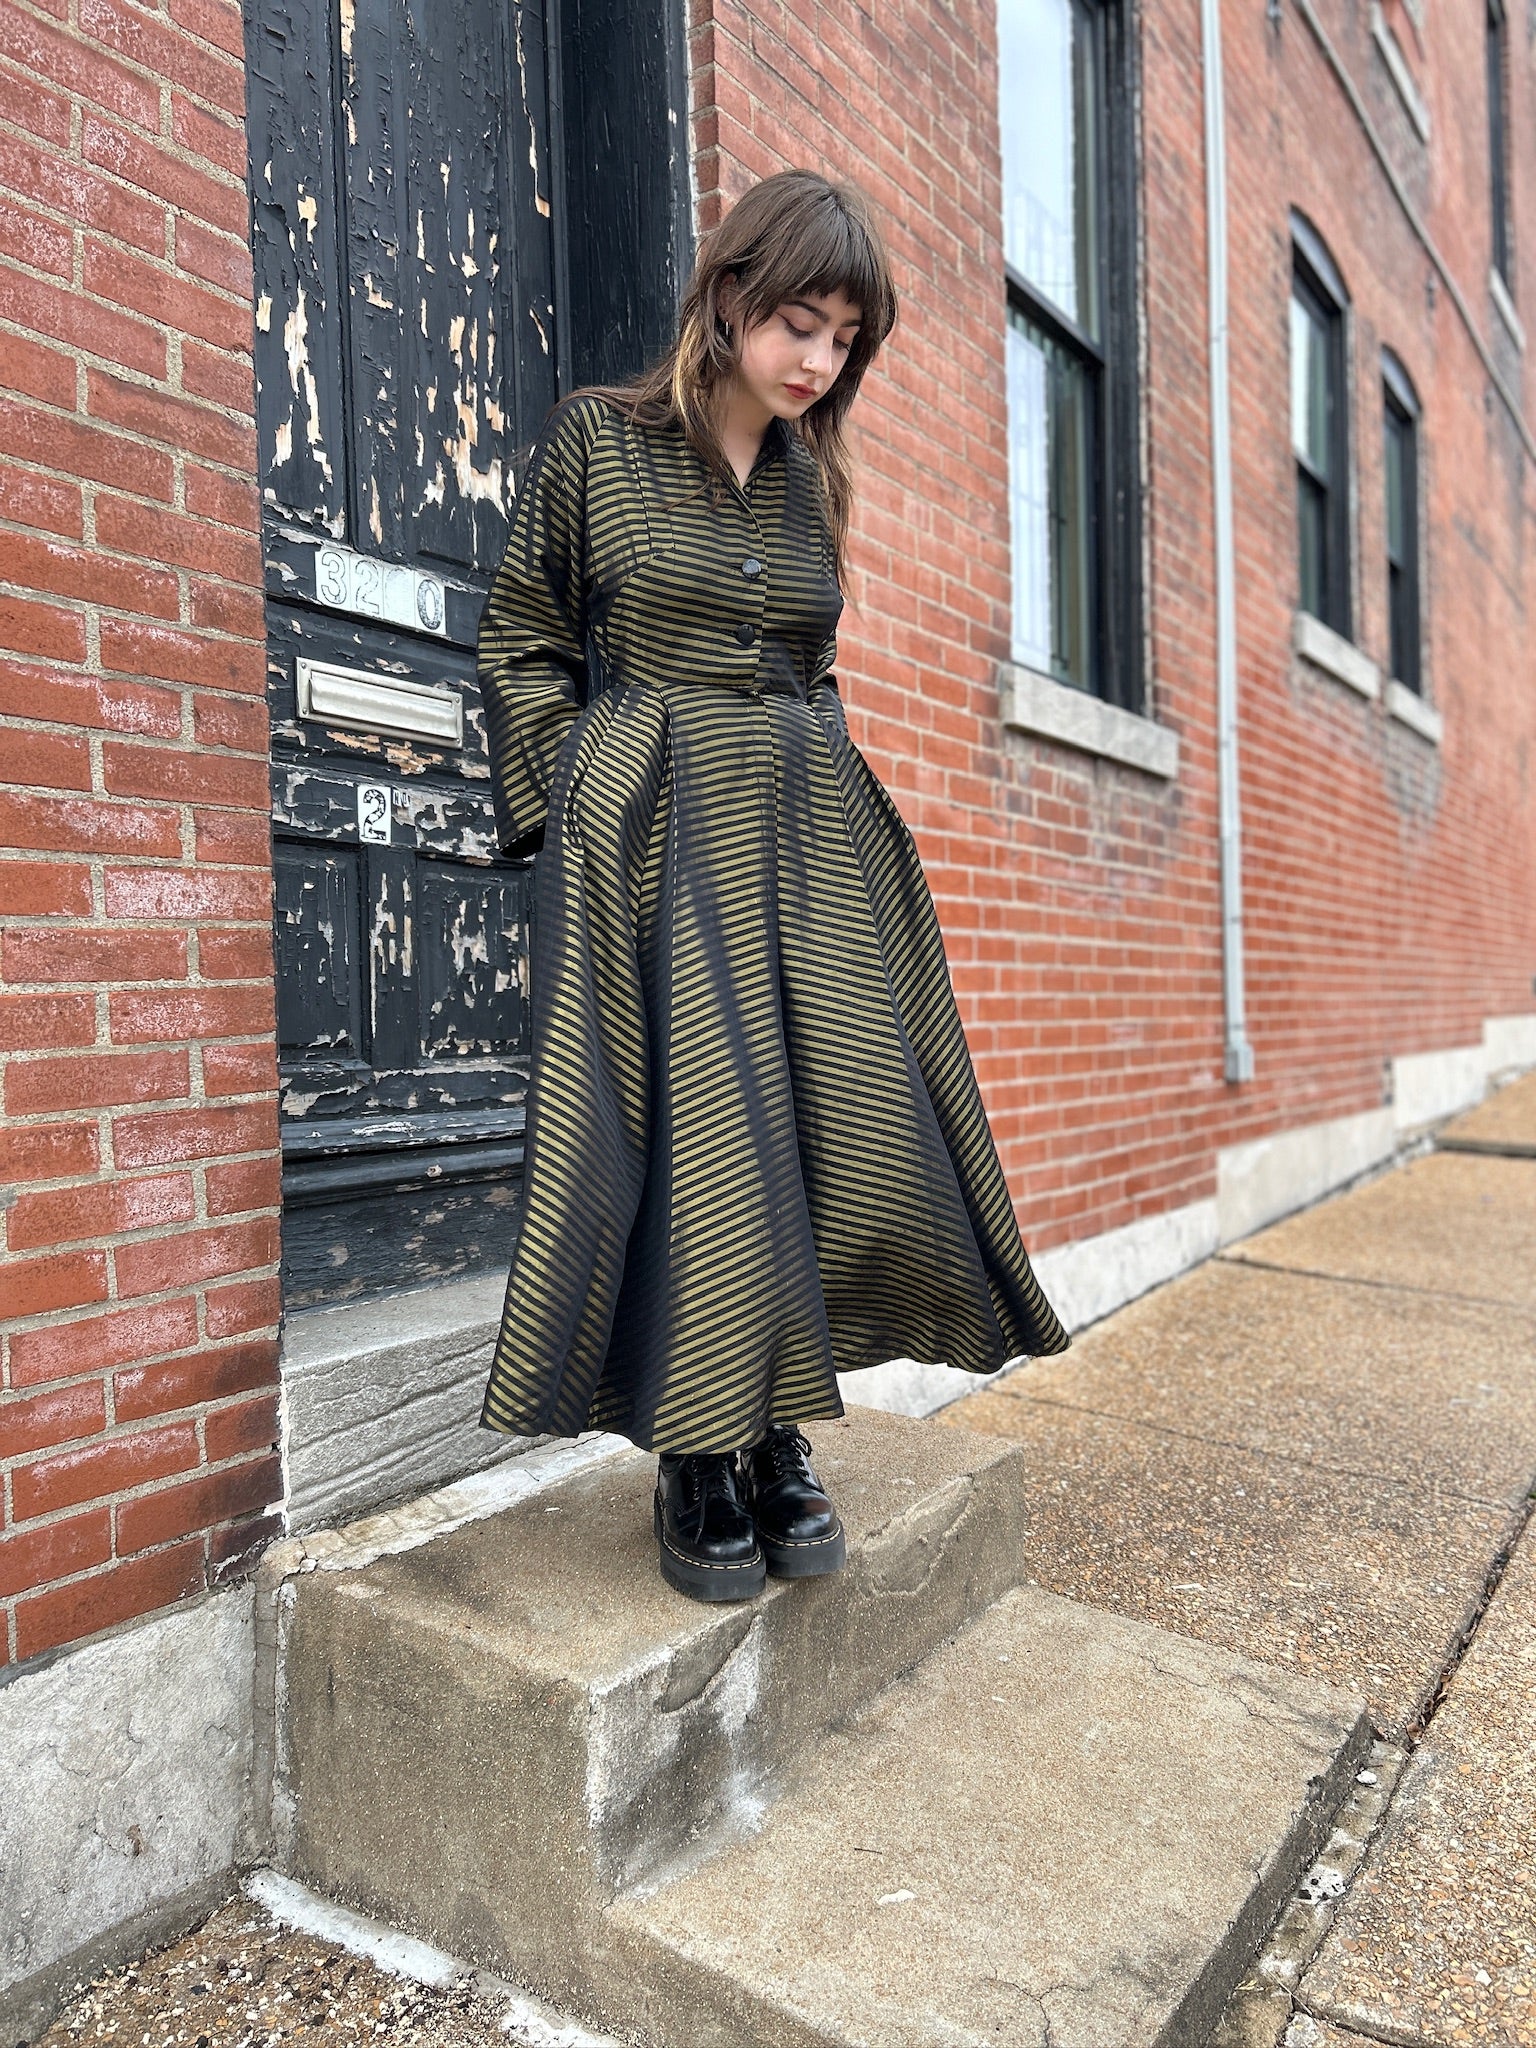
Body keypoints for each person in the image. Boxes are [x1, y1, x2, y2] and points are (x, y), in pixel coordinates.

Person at [475, 168, 1068, 1604]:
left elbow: (807, 660)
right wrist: (571, 808)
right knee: (693, 1130)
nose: (817, 361)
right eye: (800, 322)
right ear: (729, 295)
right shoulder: (599, 446)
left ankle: (778, 1424)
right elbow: (521, 637)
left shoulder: (817, 477)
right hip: (654, 827)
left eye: (846, 339)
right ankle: (697, 1449)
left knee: (830, 1111)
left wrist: (845, 793)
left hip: (807, 833)